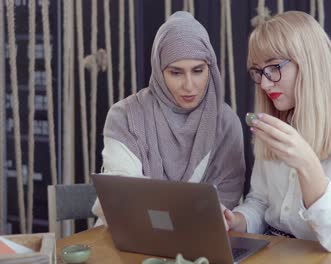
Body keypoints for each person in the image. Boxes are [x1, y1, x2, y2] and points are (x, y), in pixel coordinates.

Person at [222, 10, 331, 257]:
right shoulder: (278, 121)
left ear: (310, 62)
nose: (265, 84)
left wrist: (307, 164)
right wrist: (236, 220)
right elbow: (260, 203)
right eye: (258, 72)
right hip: (276, 253)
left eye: (274, 68)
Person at [92, 11, 245, 226]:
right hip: (129, 238)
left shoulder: (226, 123)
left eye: (198, 71)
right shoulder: (125, 116)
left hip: (199, 244)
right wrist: (192, 209)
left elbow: (227, 205)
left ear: (210, 69)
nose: (189, 85)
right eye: (176, 73)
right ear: (159, 71)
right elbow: (120, 198)